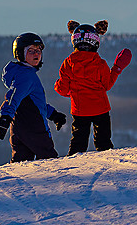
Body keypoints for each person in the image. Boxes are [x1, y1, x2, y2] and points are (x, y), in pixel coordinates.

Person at [54, 20, 132, 155]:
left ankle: (72, 169)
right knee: (104, 143)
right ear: (96, 43)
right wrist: (117, 68)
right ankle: (108, 165)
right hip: (101, 108)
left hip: (79, 110)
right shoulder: (100, 64)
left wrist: (62, 88)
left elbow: (62, 89)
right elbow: (107, 85)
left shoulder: (68, 63)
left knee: (78, 143)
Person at [0, 32, 67, 162]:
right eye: (31, 51)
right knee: (49, 161)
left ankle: (16, 183)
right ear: (20, 53)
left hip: (18, 128)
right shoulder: (27, 75)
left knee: (21, 162)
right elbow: (13, 97)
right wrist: (4, 118)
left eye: (38, 50)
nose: (36, 54)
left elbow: (33, 103)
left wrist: (53, 114)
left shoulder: (21, 73)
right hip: (35, 128)